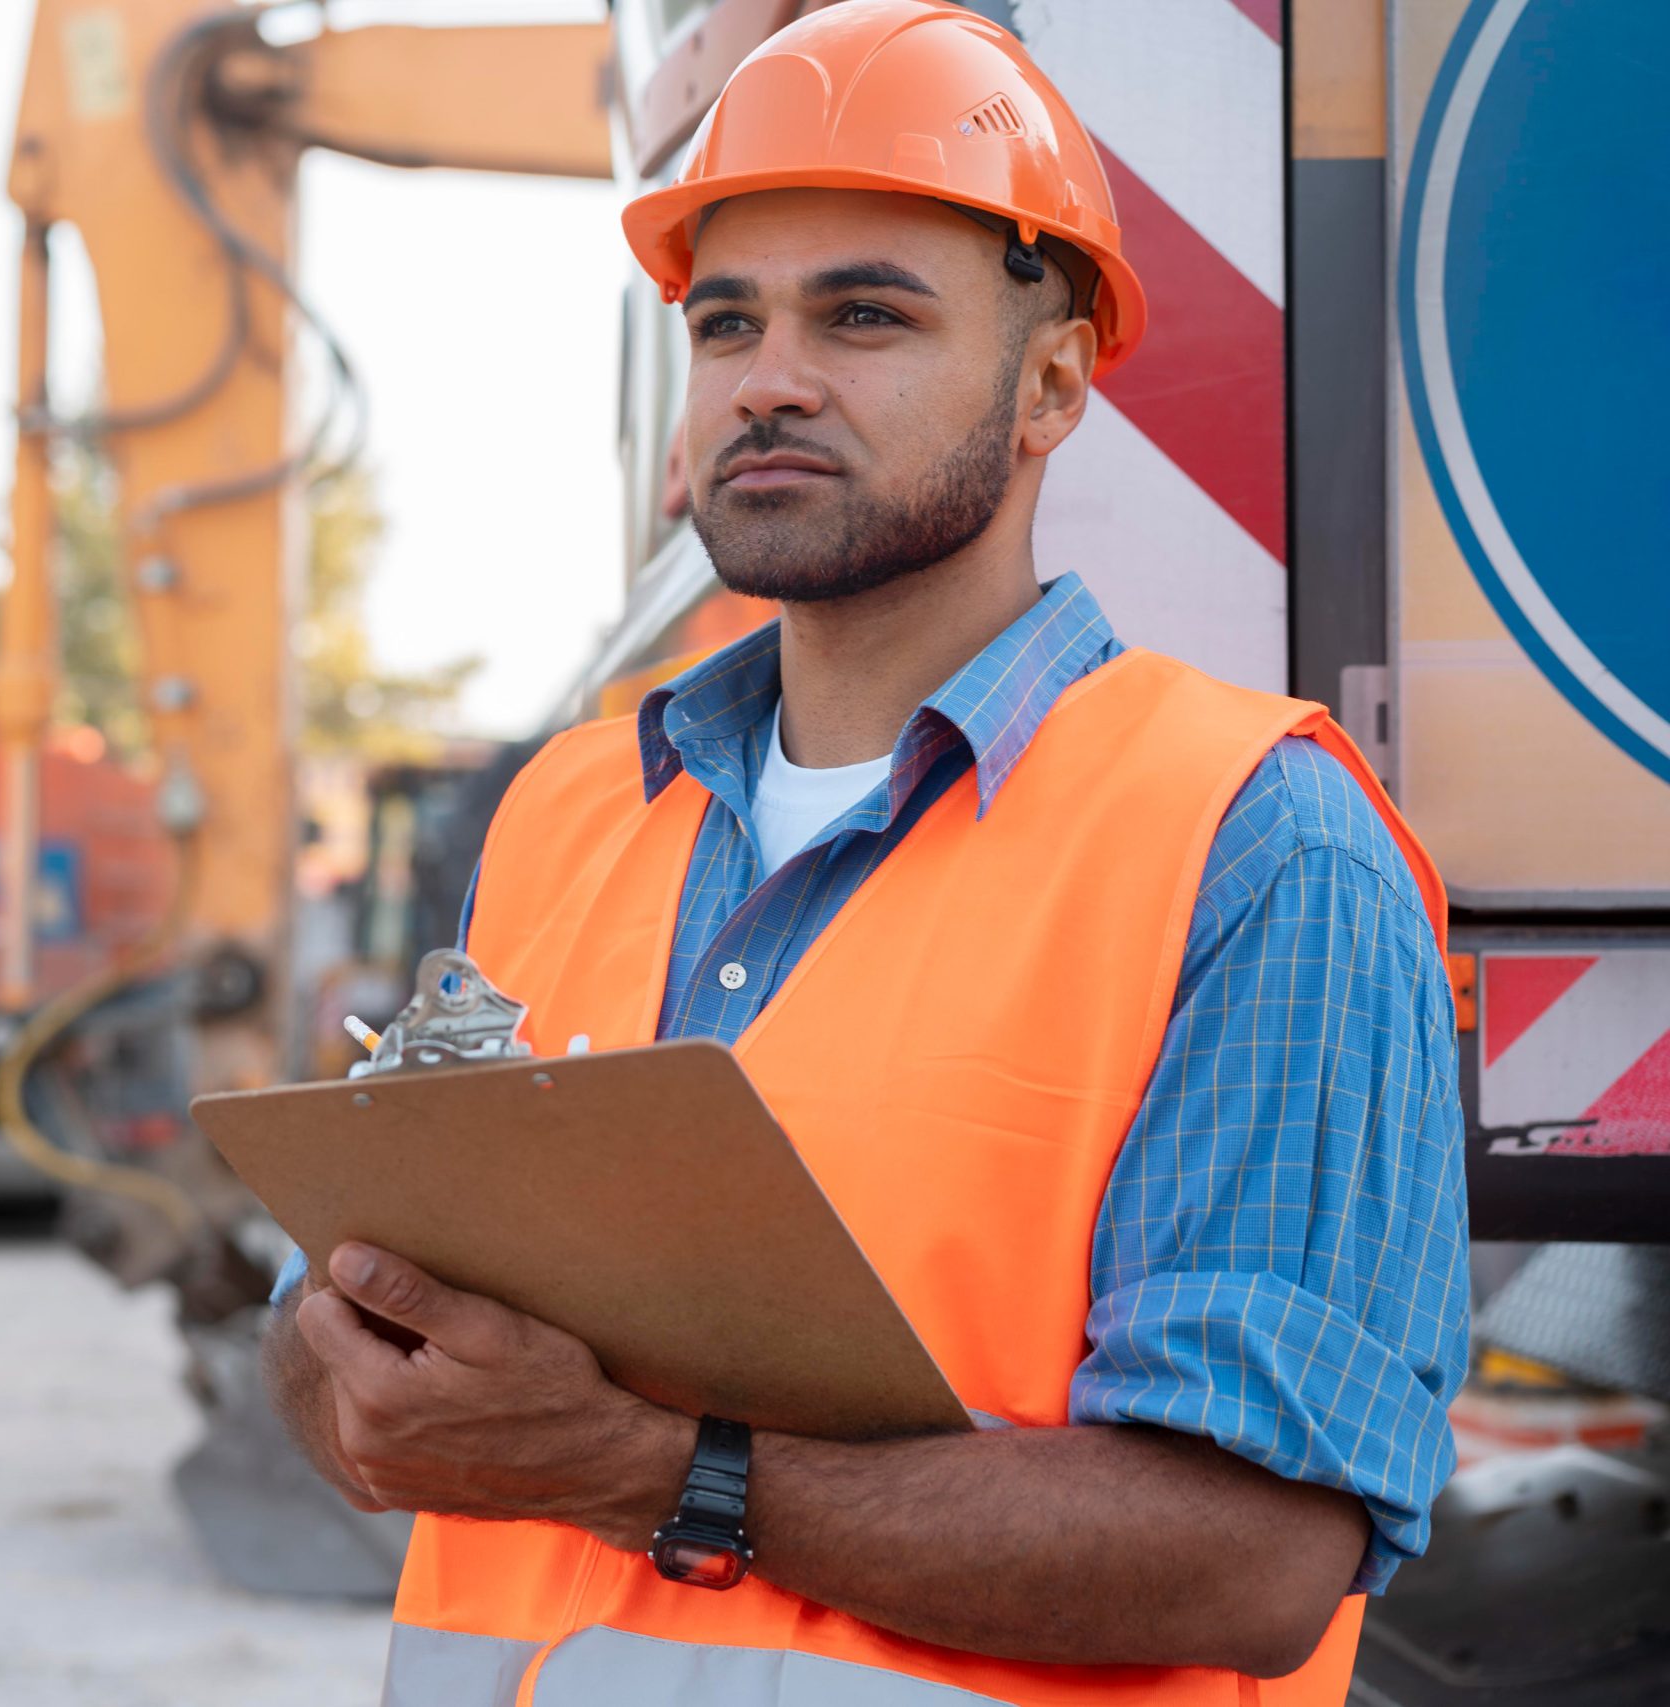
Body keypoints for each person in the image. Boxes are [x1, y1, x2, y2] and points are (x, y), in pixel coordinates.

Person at [260, 4, 1468, 1704]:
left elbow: (1256, 1558)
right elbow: (333, 1353)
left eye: (865, 316)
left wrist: (646, 1469)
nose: (770, 380)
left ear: (1052, 386)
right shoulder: (569, 812)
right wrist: (353, 1358)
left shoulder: (1255, 841)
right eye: (726, 323)